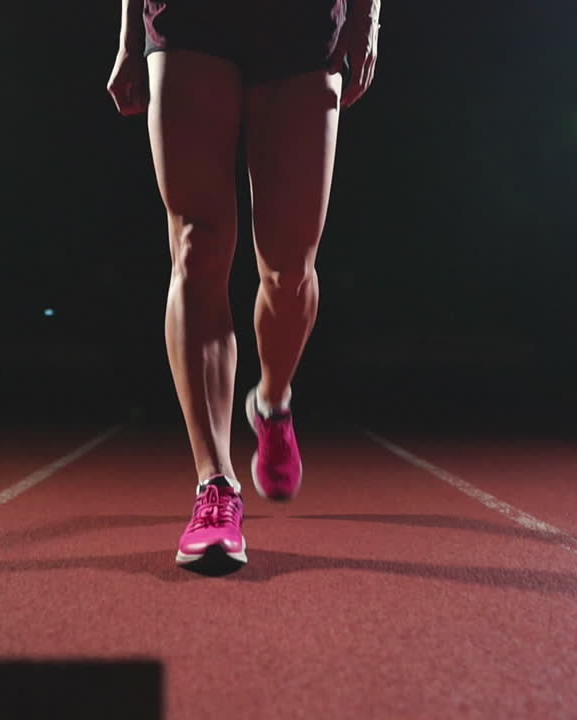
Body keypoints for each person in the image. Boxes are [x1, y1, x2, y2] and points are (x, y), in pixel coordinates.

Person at [107, 0, 380, 569]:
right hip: (188, 18)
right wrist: (130, 37)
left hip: (302, 24)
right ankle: (216, 486)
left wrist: (366, 16)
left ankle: (273, 403)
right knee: (196, 246)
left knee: (288, 266)